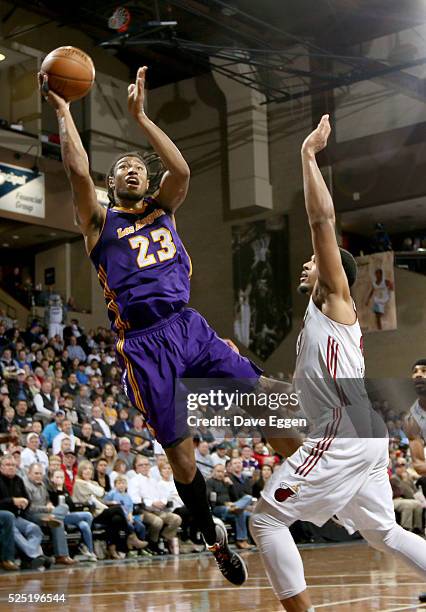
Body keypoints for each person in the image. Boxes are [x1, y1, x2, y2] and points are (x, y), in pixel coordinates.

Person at [39, 65, 301, 585]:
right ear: (111, 184)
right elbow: (74, 171)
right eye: (124, 168)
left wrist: (141, 117)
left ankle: (316, 481)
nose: (134, 169)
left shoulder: (164, 210)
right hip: (144, 344)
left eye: (140, 165)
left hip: (189, 328)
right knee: (182, 457)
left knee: (266, 401)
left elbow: (180, 171)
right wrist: (65, 111)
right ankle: (210, 534)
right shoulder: (98, 222)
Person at [249, 116, 426, 611]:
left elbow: (323, 223)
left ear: (331, 271)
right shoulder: (319, 320)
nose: (308, 262)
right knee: (384, 532)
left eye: (314, 259)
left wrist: (308, 157)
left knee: (265, 521)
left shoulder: (335, 298)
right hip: (362, 434)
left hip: (345, 436)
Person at [72, 460, 143, 559]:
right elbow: (99, 494)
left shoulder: (93, 483)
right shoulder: (79, 483)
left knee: (116, 519)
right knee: (118, 508)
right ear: (80, 471)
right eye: (85, 469)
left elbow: (101, 494)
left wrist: (99, 495)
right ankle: (130, 536)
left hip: (102, 511)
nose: (88, 471)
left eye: (90, 469)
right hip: (90, 513)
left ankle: (112, 548)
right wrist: (96, 491)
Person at [0, 454, 50, 570]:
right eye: (8, 465)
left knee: (35, 529)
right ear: (1, 467)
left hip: (18, 516)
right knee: (12, 526)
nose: (11, 467)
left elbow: (27, 500)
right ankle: (36, 556)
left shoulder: (18, 480)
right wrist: (12, 501)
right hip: (4, 517)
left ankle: (31, 556)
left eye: (13, 465)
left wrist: (25, 504)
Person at [24, 463, 76, 565]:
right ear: (29, 473)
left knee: (63, 507)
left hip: (48, 513)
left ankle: (54, 517)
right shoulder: (26, 485)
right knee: (58, 521)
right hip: (32, 515)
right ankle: (61, 556)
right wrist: (46, 508)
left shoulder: (42, 484)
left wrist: (49, 504)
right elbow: (29, 508)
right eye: (36, 473)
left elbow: (47, 499)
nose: (39, 476)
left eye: (40, 473)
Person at [48, 469, 97, 562]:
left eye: (61, 477)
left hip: (70, 516)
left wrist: (62, 490)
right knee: (88, 515)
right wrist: (58, 490)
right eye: (57, 477)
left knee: (85, 525)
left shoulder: (65, 489)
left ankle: (89, 551)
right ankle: (82, 545)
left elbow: (72, 506)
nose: (60, 479)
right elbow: (57, 507)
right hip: (59, 517)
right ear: (52, 479)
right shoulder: (51, 491)